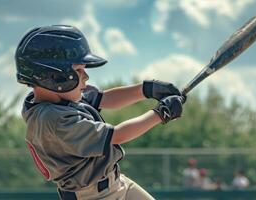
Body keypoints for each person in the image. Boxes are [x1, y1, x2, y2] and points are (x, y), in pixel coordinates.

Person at [15, 25, 185, 200]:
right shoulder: (52, 120)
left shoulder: (56, 98)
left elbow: (106, 98)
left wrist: (147, 89)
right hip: (92, 196)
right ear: (54, 76)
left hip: (117, 183)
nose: (86, 77)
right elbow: (117, 135)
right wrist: (160, 113)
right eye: (79, 71)